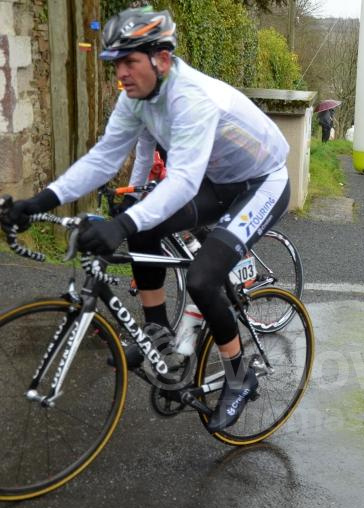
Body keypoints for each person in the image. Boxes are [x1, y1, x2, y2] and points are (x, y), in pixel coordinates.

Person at [0, 7, 290, 432]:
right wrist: (40, 200)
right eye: (117, 63)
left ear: (163, 59)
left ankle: (237, 373)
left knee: (204, 279)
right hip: (220, 181)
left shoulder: (192, 98)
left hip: (262, 181)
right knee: (146, 226)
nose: (121, 73)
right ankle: (157, 334)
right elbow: (104, 158)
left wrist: (121, 225)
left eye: (129, 61)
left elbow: (184, 181)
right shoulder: (136, 96)